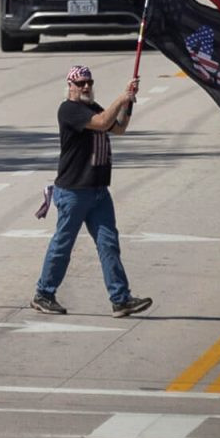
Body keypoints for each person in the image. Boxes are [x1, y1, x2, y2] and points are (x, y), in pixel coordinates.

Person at [31, 65, 153, 318]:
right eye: (80, 83)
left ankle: (121, 299)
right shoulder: (69, 110)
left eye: (89, 82)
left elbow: (118, 128)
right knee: (63, 244)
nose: (85, 87)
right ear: (70, 87)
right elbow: (101, 123)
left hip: (98, 191)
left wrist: (128, 104)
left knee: (109, 244)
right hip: (74, 191)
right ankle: (44, 294)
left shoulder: (93, 107)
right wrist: (121, 97)